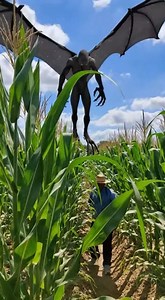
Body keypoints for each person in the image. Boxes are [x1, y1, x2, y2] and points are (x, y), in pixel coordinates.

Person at [57, 49, 106, 150]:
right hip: (75, 87)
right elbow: (63, 74)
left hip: (84, 88)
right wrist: (59, 90)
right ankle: (75, 130)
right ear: (78, 59)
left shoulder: (91, 61)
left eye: (85, 64)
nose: (83, 66)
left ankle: (85, 132)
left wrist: (101, 88)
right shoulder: (71, 61)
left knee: (87, 112)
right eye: (81, 63)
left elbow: (97, 74)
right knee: (74, 112)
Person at [89, 173, 116, 275]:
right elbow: (90, 203)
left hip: (106, 223)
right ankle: (94, 257)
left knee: (107, 244)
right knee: (92, 240)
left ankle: (106, 265)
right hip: (95, 221)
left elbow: (116, 207)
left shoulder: (111, 194)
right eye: (99, 184)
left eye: (102, 184)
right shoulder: (93, 193)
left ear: (105, 184)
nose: (101, 185)